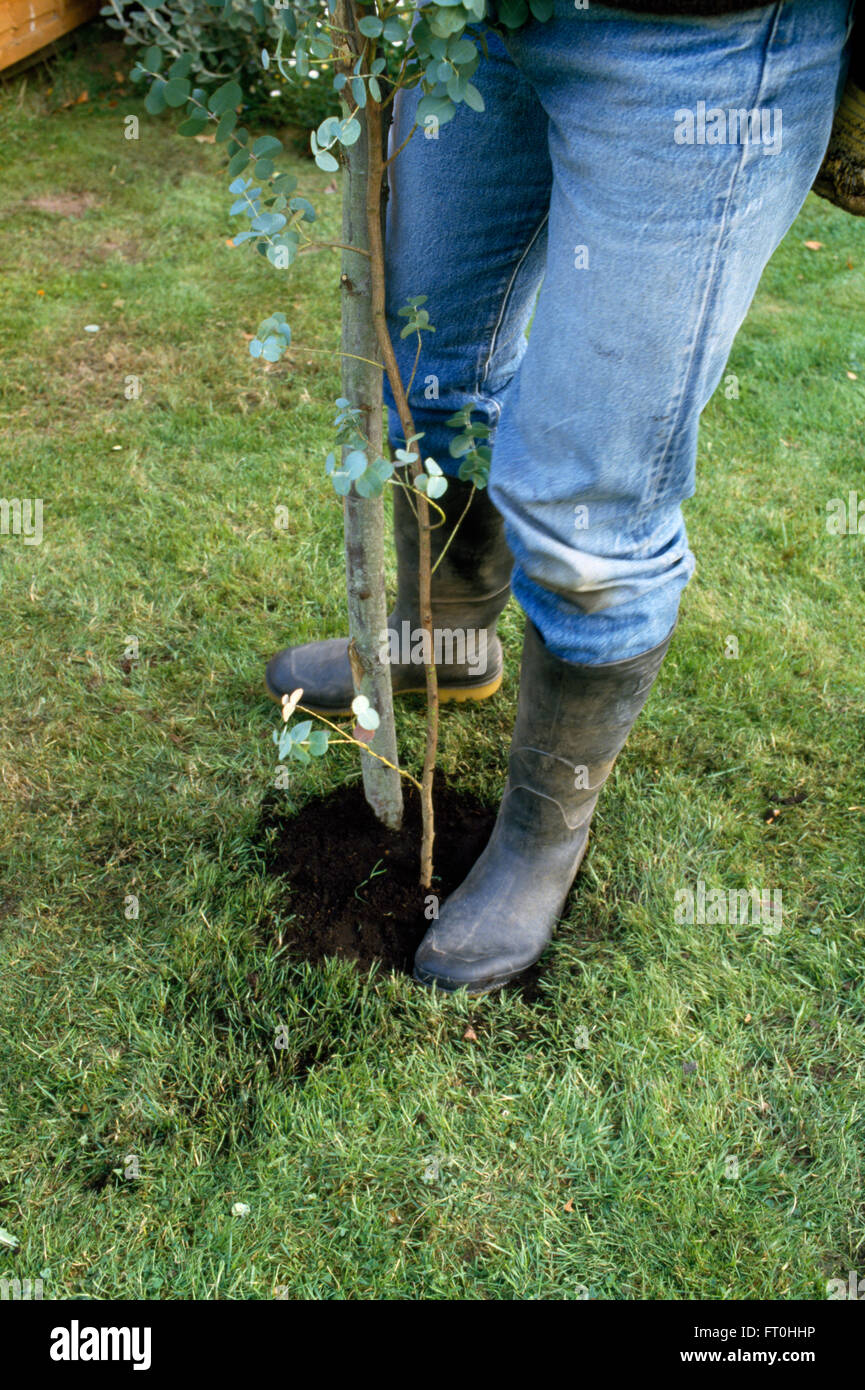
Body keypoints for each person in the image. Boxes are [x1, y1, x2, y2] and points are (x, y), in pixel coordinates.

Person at [267, 0, 862, 994]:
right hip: (485, 21)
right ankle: (442, 641)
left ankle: (545, 830)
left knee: (589, 505)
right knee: (422, 369)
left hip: (697, 46)